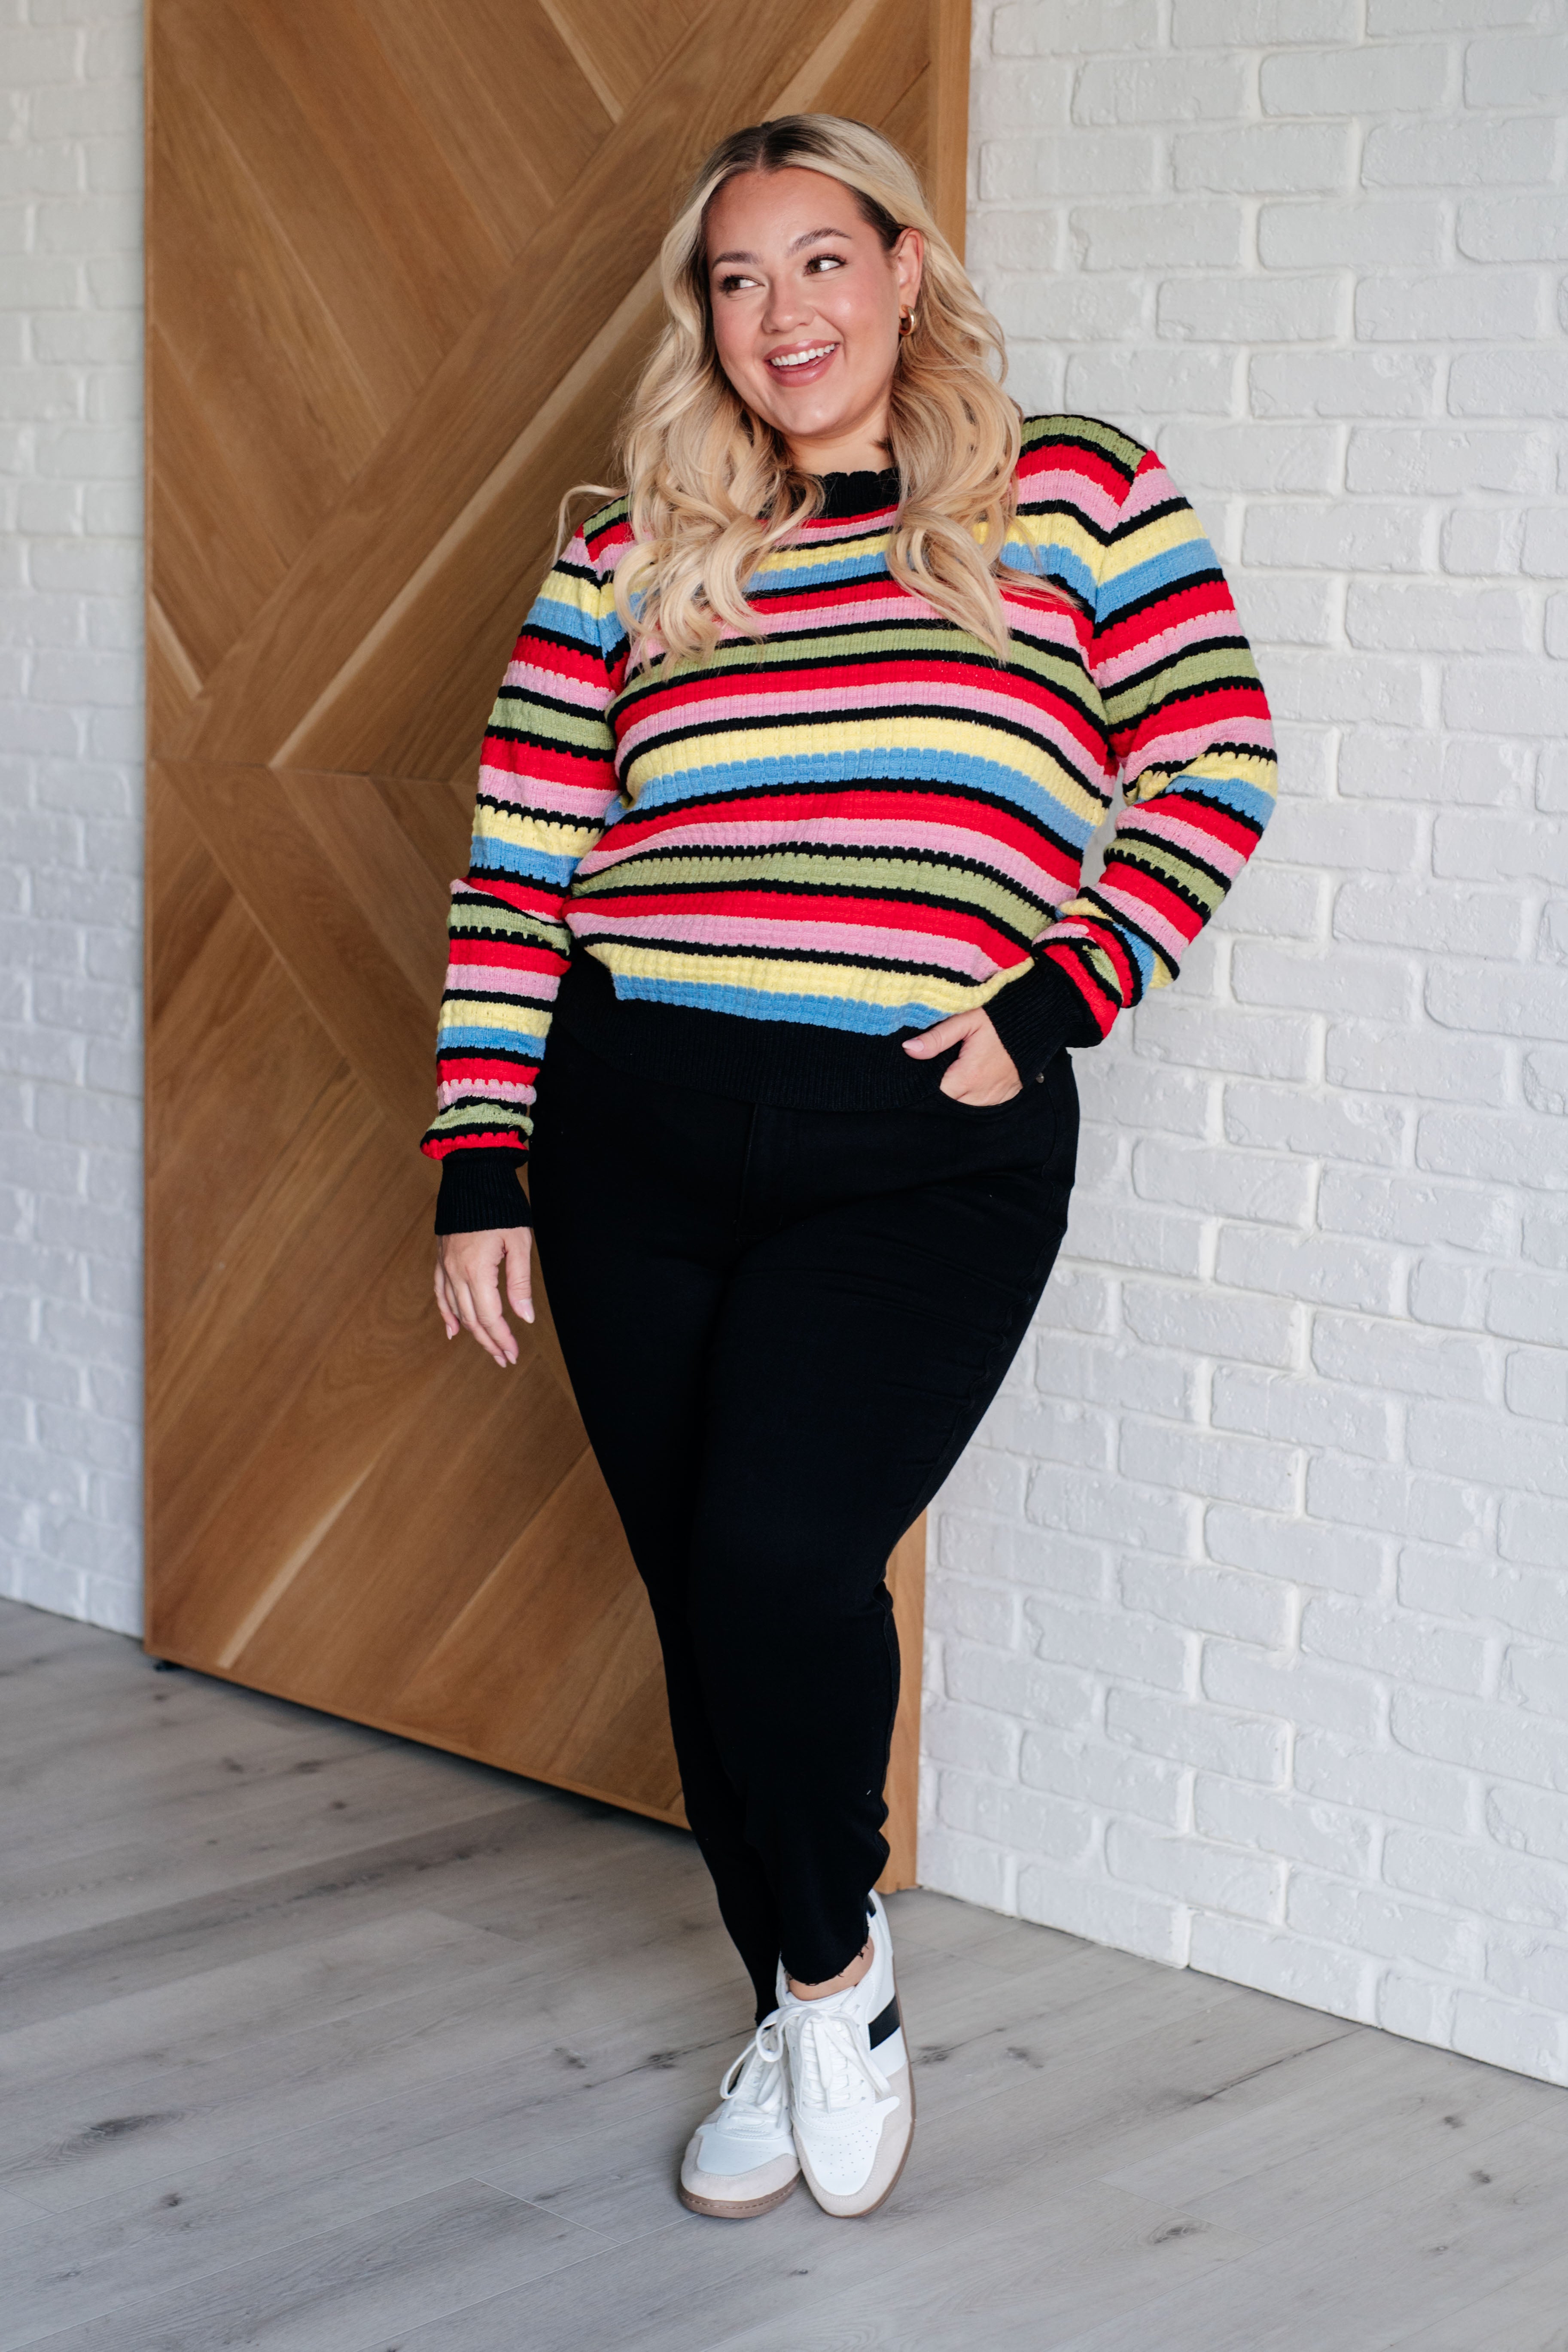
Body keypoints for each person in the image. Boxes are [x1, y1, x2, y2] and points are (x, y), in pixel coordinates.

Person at [423, 114, 1276, 2222]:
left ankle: (823, 1959)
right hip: (634, 1130)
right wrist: (478, 1159)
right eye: (736, 278)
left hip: (917, 1145)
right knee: (708, 1612)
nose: (781, 312)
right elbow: (524, 857)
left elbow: (1216, 752)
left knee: (778, 1569)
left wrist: (1060, 992)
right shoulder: (628, 543)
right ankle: (816, 1987)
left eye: (822, 259)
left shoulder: (1068, 489)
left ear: (906, 269)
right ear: (700, 319)